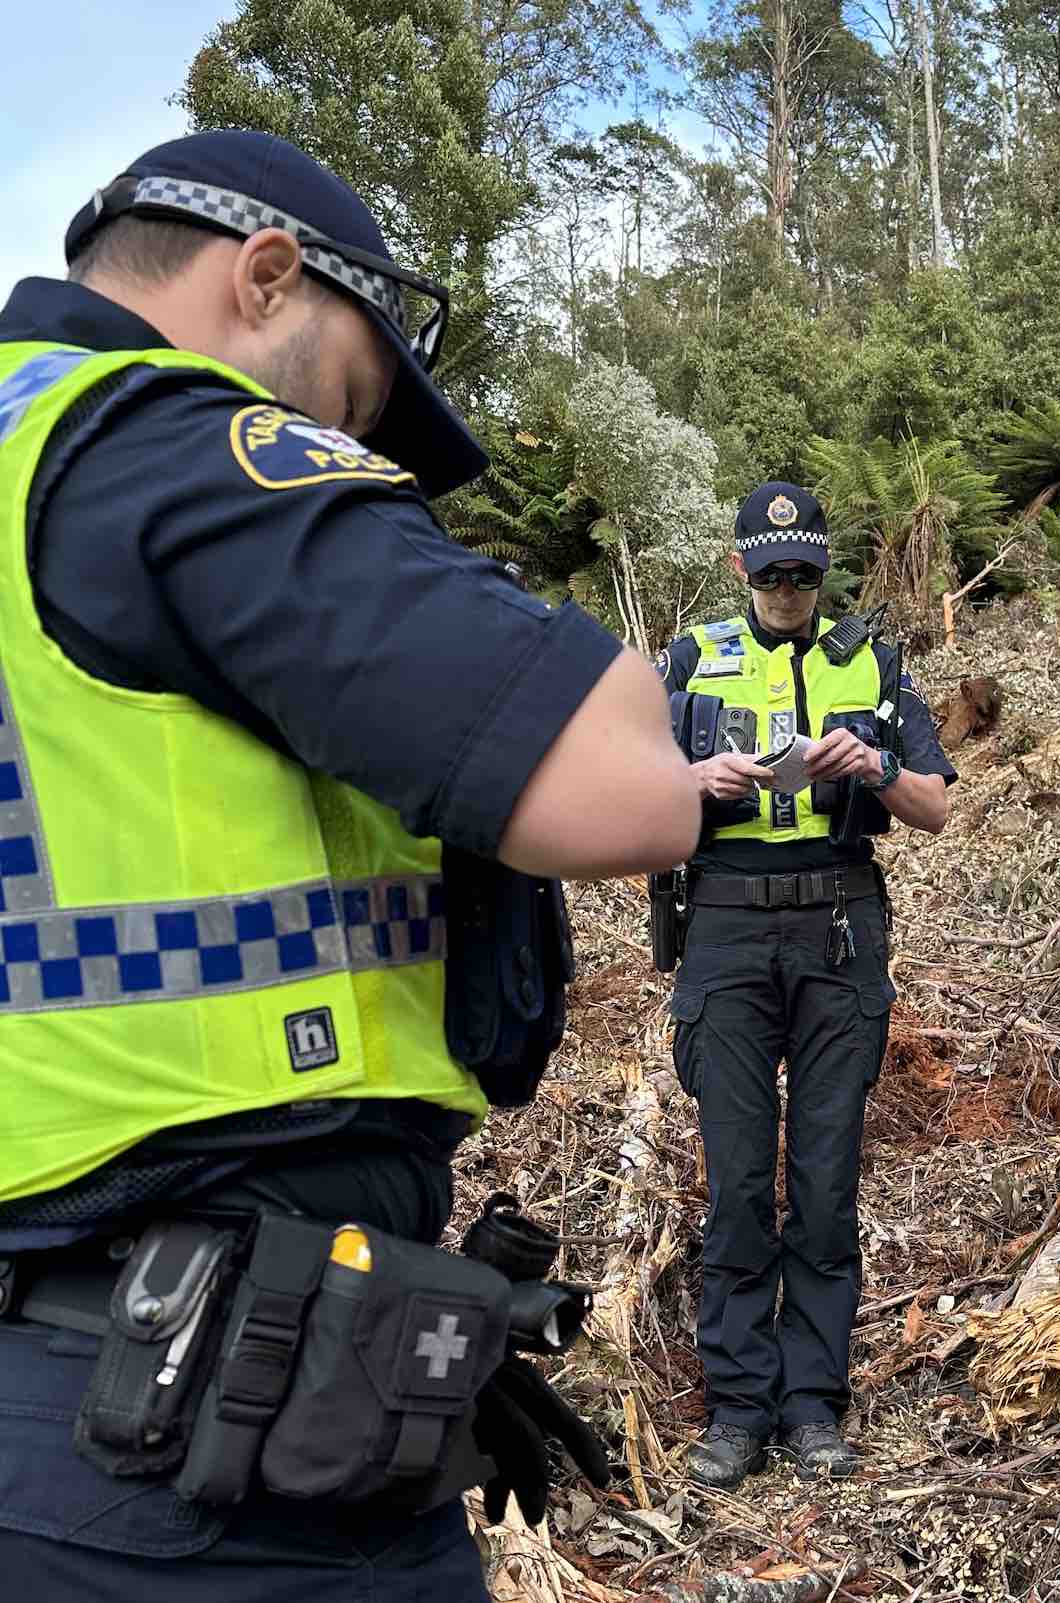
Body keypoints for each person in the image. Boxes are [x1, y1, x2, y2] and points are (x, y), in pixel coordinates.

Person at [0, 130, 699, 1599]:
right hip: (191, 1449)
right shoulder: (167, 444)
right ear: (264, 277)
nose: (360, 455)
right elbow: (623, 786)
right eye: (356, 403)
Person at [654, 484, 956, 1487]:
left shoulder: (871, 660)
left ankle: (815, 1402)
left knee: (826, 1182)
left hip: (838, 928)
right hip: (726, 928)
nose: (787, 588)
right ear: (739, 566)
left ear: (826, 569)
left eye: (804, 572)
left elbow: (935, 807)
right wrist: (691, 781)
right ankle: (739, 1406)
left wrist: (872, 764)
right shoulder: (691, 659)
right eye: (770, 570)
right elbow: (626, 795)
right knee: (740, 1180)